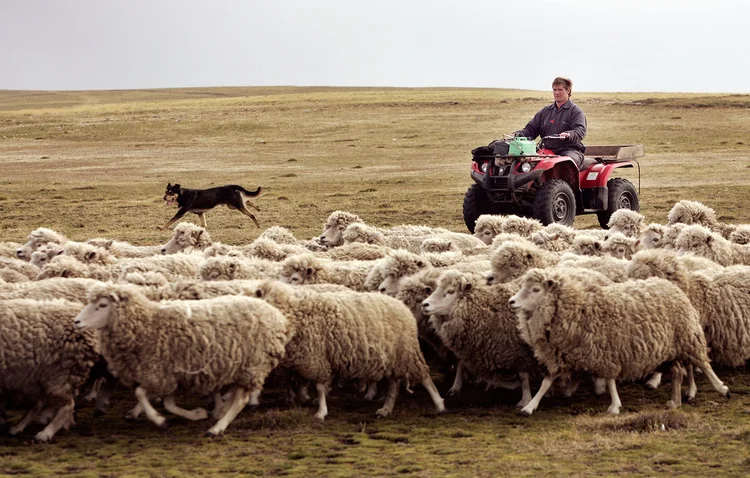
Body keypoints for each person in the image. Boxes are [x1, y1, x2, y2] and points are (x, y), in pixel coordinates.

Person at [513, 77, 587, 168]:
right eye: (554, 89)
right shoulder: (546, 111)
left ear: (568, 91)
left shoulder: (575, 111)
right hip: (545, 149)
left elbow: (580, 130)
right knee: (525, 163)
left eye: (560, 90)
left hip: (569, 150)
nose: (556, 93)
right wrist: (518, 135)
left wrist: (568, 134)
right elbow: (531, 129)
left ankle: (562, 183)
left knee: (564, 165)